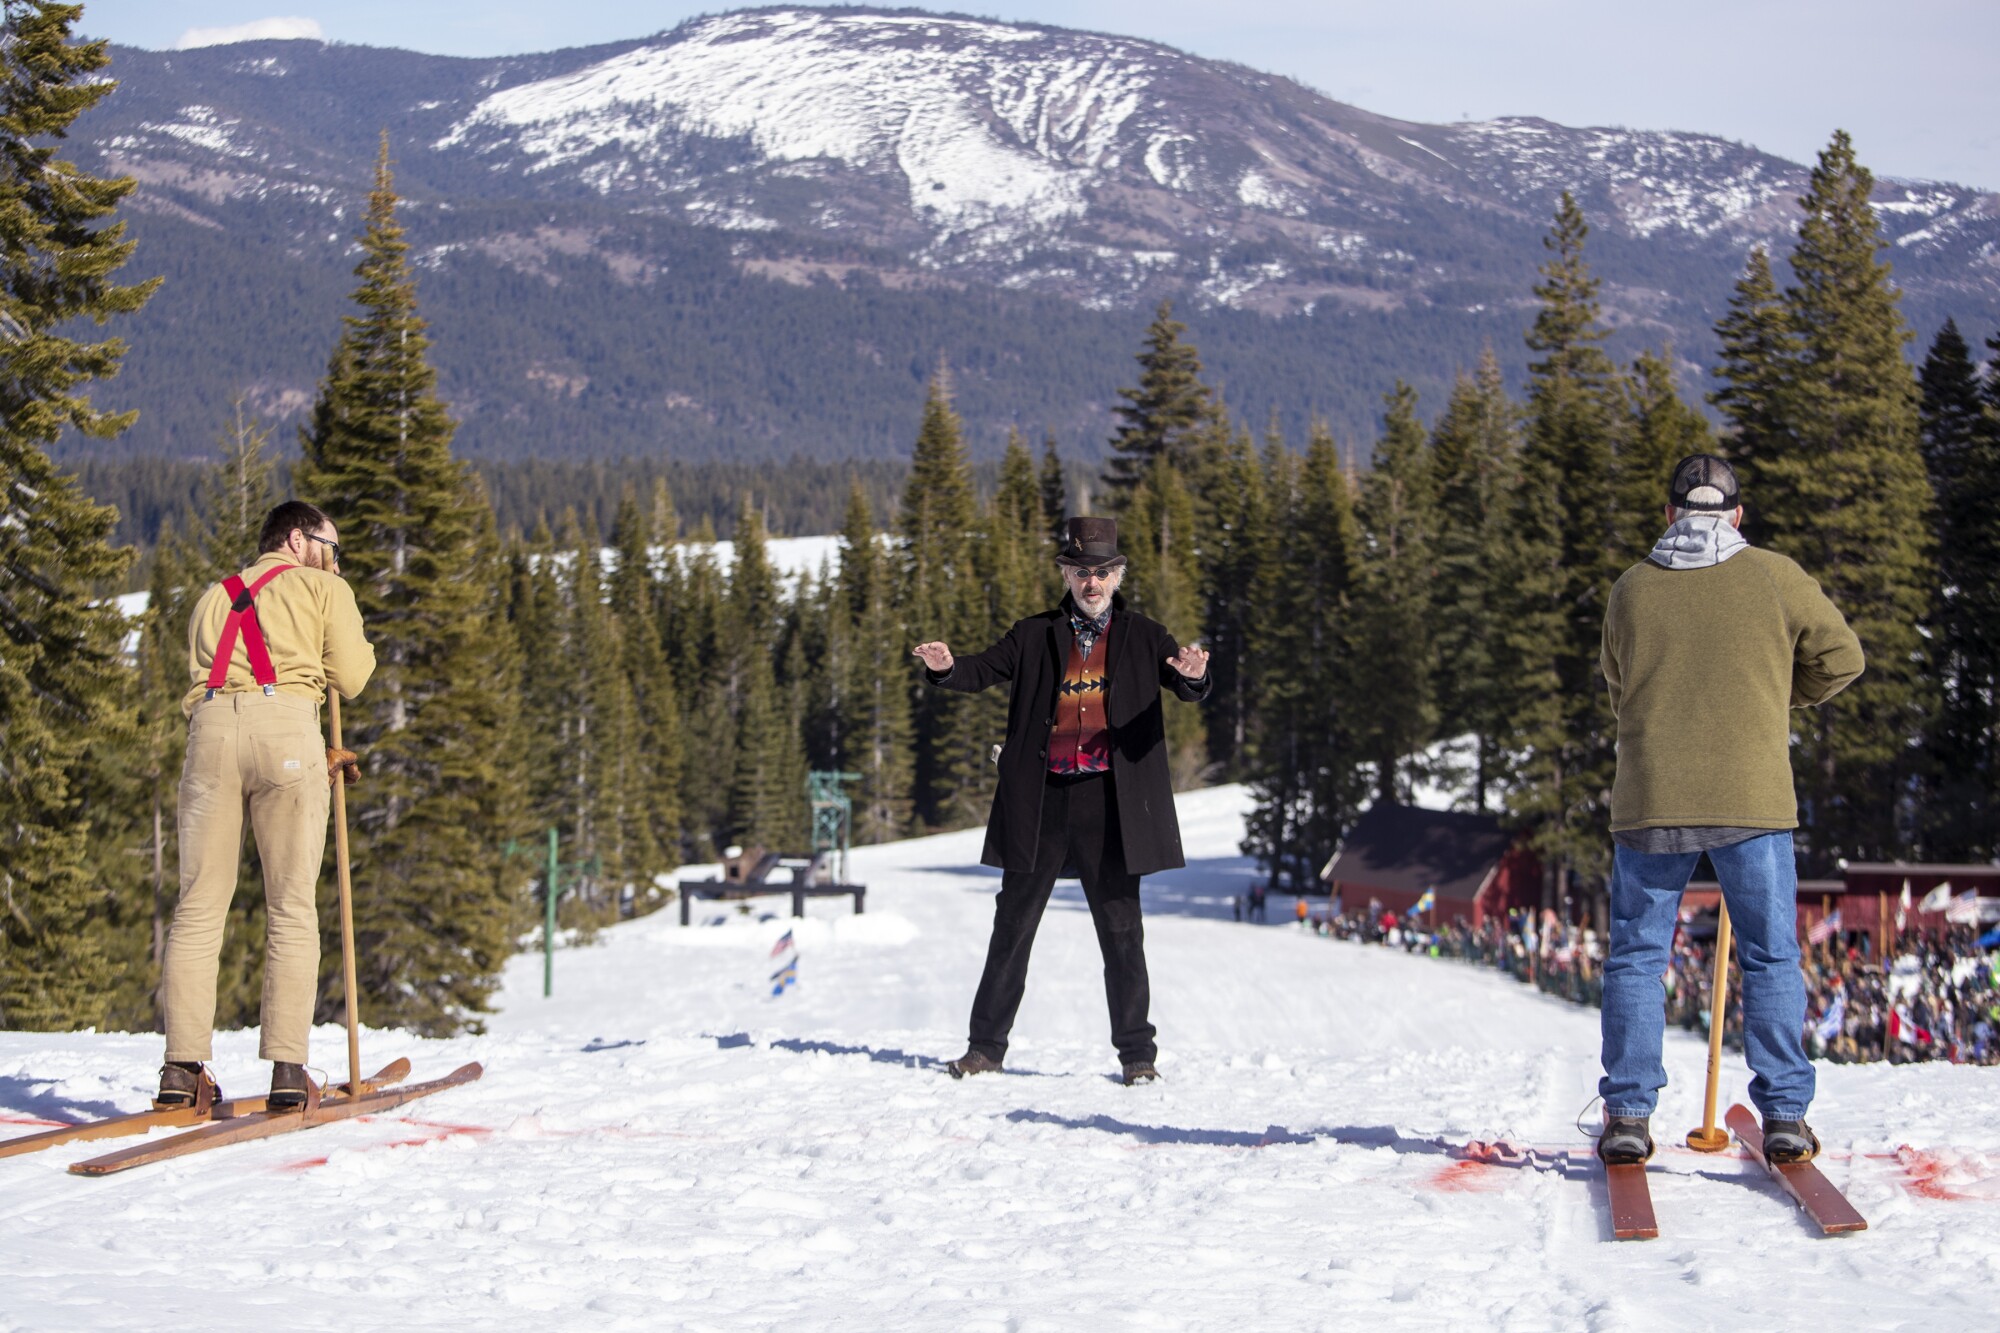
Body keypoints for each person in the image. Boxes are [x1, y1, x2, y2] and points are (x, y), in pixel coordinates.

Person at [1596, 455, 1863, 1166]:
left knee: (1636, 958)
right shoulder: (1777, 577)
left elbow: (1618, 683)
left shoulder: (1631, 588)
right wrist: (1776, 693)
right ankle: (1783, 1114)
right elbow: (1843, 657)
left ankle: (1626, 1113)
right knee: (1772, 954)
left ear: (1670, 513)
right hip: (1754, 797)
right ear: (1737, 515)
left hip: (1652, 795)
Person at [913, 516, 1211, 1085]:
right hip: (1041, 800)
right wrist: (946, 668)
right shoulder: (1033, 634)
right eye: (1081, 572)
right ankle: (985, 1048)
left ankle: (1137, 1057)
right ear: (1067, 575)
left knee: (1122, 931)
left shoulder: (1147, 636)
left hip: (1113, 804)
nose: (1091, 582)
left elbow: (1185, 682)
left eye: (1101, 571)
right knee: (1014, 925)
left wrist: (1195, 676)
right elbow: (979, 670)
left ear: (1118, 576)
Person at [156, 501, 375, 1112]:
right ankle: (287, 1068)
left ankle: (182, 1070)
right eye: (331, 545)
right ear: (298, 538)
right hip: (286, 731)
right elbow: (352, 677)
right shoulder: (323, 588)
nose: (335, 558)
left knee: (198, 905)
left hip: (210, 735)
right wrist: (334, 594)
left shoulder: (212, 596)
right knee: (291, 903)